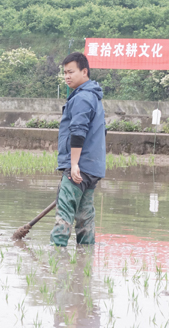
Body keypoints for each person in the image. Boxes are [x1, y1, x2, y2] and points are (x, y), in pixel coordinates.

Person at [51, 52, 106, 247]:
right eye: (65, 72)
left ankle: (56, 259)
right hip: (92, 168)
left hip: (79, 167)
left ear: (84, 71)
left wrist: (74, 165)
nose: (67, 76)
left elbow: (78, 132)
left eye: (71, 72)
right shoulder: (93, 96)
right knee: (85, 218)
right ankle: (85, 264)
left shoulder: (82, 98)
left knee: (64, 215)